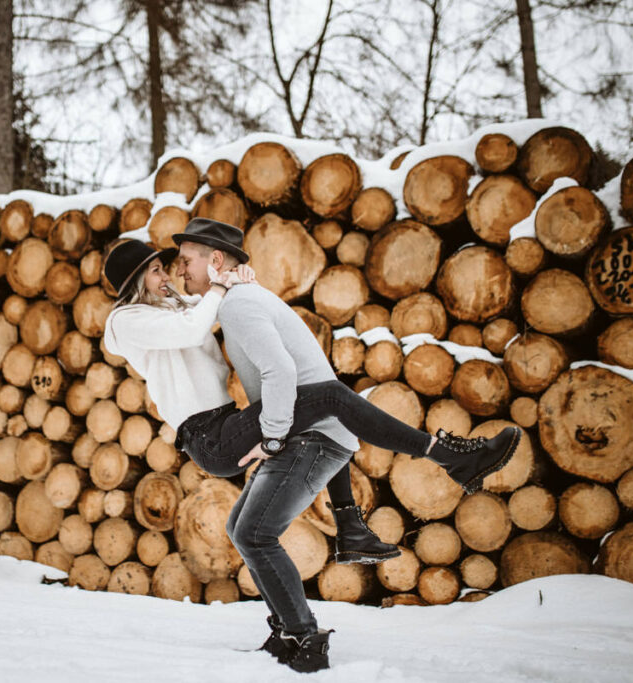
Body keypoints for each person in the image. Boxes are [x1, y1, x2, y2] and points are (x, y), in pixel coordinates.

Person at [168, 218, 521, 673]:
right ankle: (288, 631)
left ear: (215, 260)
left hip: (309, 440)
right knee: (243, 529)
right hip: (313, 435)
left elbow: (281, 373)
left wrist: (272, 437)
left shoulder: (239, 305)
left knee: (254, 533)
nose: (181, 271)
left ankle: (303, 636)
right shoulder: (243, 299)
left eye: (186, 261)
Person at [101, 239, 400, 568]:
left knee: (316, 412)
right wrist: (219, 286)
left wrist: (237, 280)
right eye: (156, 272)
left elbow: (206, 309)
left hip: (225, 424)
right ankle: (433, 452)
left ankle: (350, 529)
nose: (167, 278)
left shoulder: (166, 308)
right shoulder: (126, 321)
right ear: (134, 283)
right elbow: (191, 328)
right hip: (209, 437)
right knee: (324, 397)